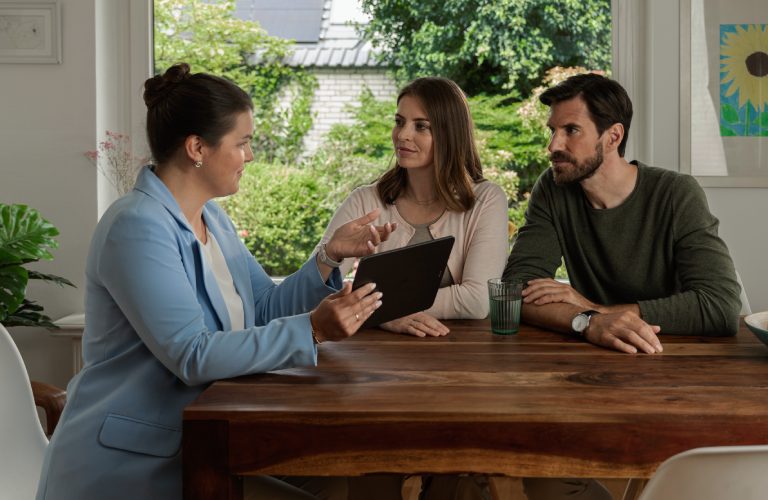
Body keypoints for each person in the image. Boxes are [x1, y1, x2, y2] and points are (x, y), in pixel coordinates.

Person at [36, 63, 396, 500]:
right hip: (127, 468)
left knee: (348, 479)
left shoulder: (212, 218)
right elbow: (192, 353)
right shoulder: (136, 227)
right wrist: (315, 328)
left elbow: (263, 307)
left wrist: (329, 256)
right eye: (242, 143)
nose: (250, 155)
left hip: (200, 444)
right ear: (197, 148)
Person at [504, 72, 742, 499]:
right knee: (531, 461)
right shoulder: (553, 189)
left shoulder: (676, 193)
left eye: (571, 130)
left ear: (613, 136)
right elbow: (517, 287)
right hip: (597, 376)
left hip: (680, 379)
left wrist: (599, 311)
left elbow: (720, 307)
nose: (553, 146)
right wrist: (588, 322)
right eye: (553, 131)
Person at [318, 76, 508, 499]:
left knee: (453, 480)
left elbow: (478, 298)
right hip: (370, 383)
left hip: (460, 382)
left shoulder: (485, 200)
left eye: (421, 126)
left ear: (449, 134)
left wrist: (379, 307)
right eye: (400, 121)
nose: (403, 135)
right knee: (371, 478)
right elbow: (322, 290)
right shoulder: (365, 202)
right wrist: (388, 317)